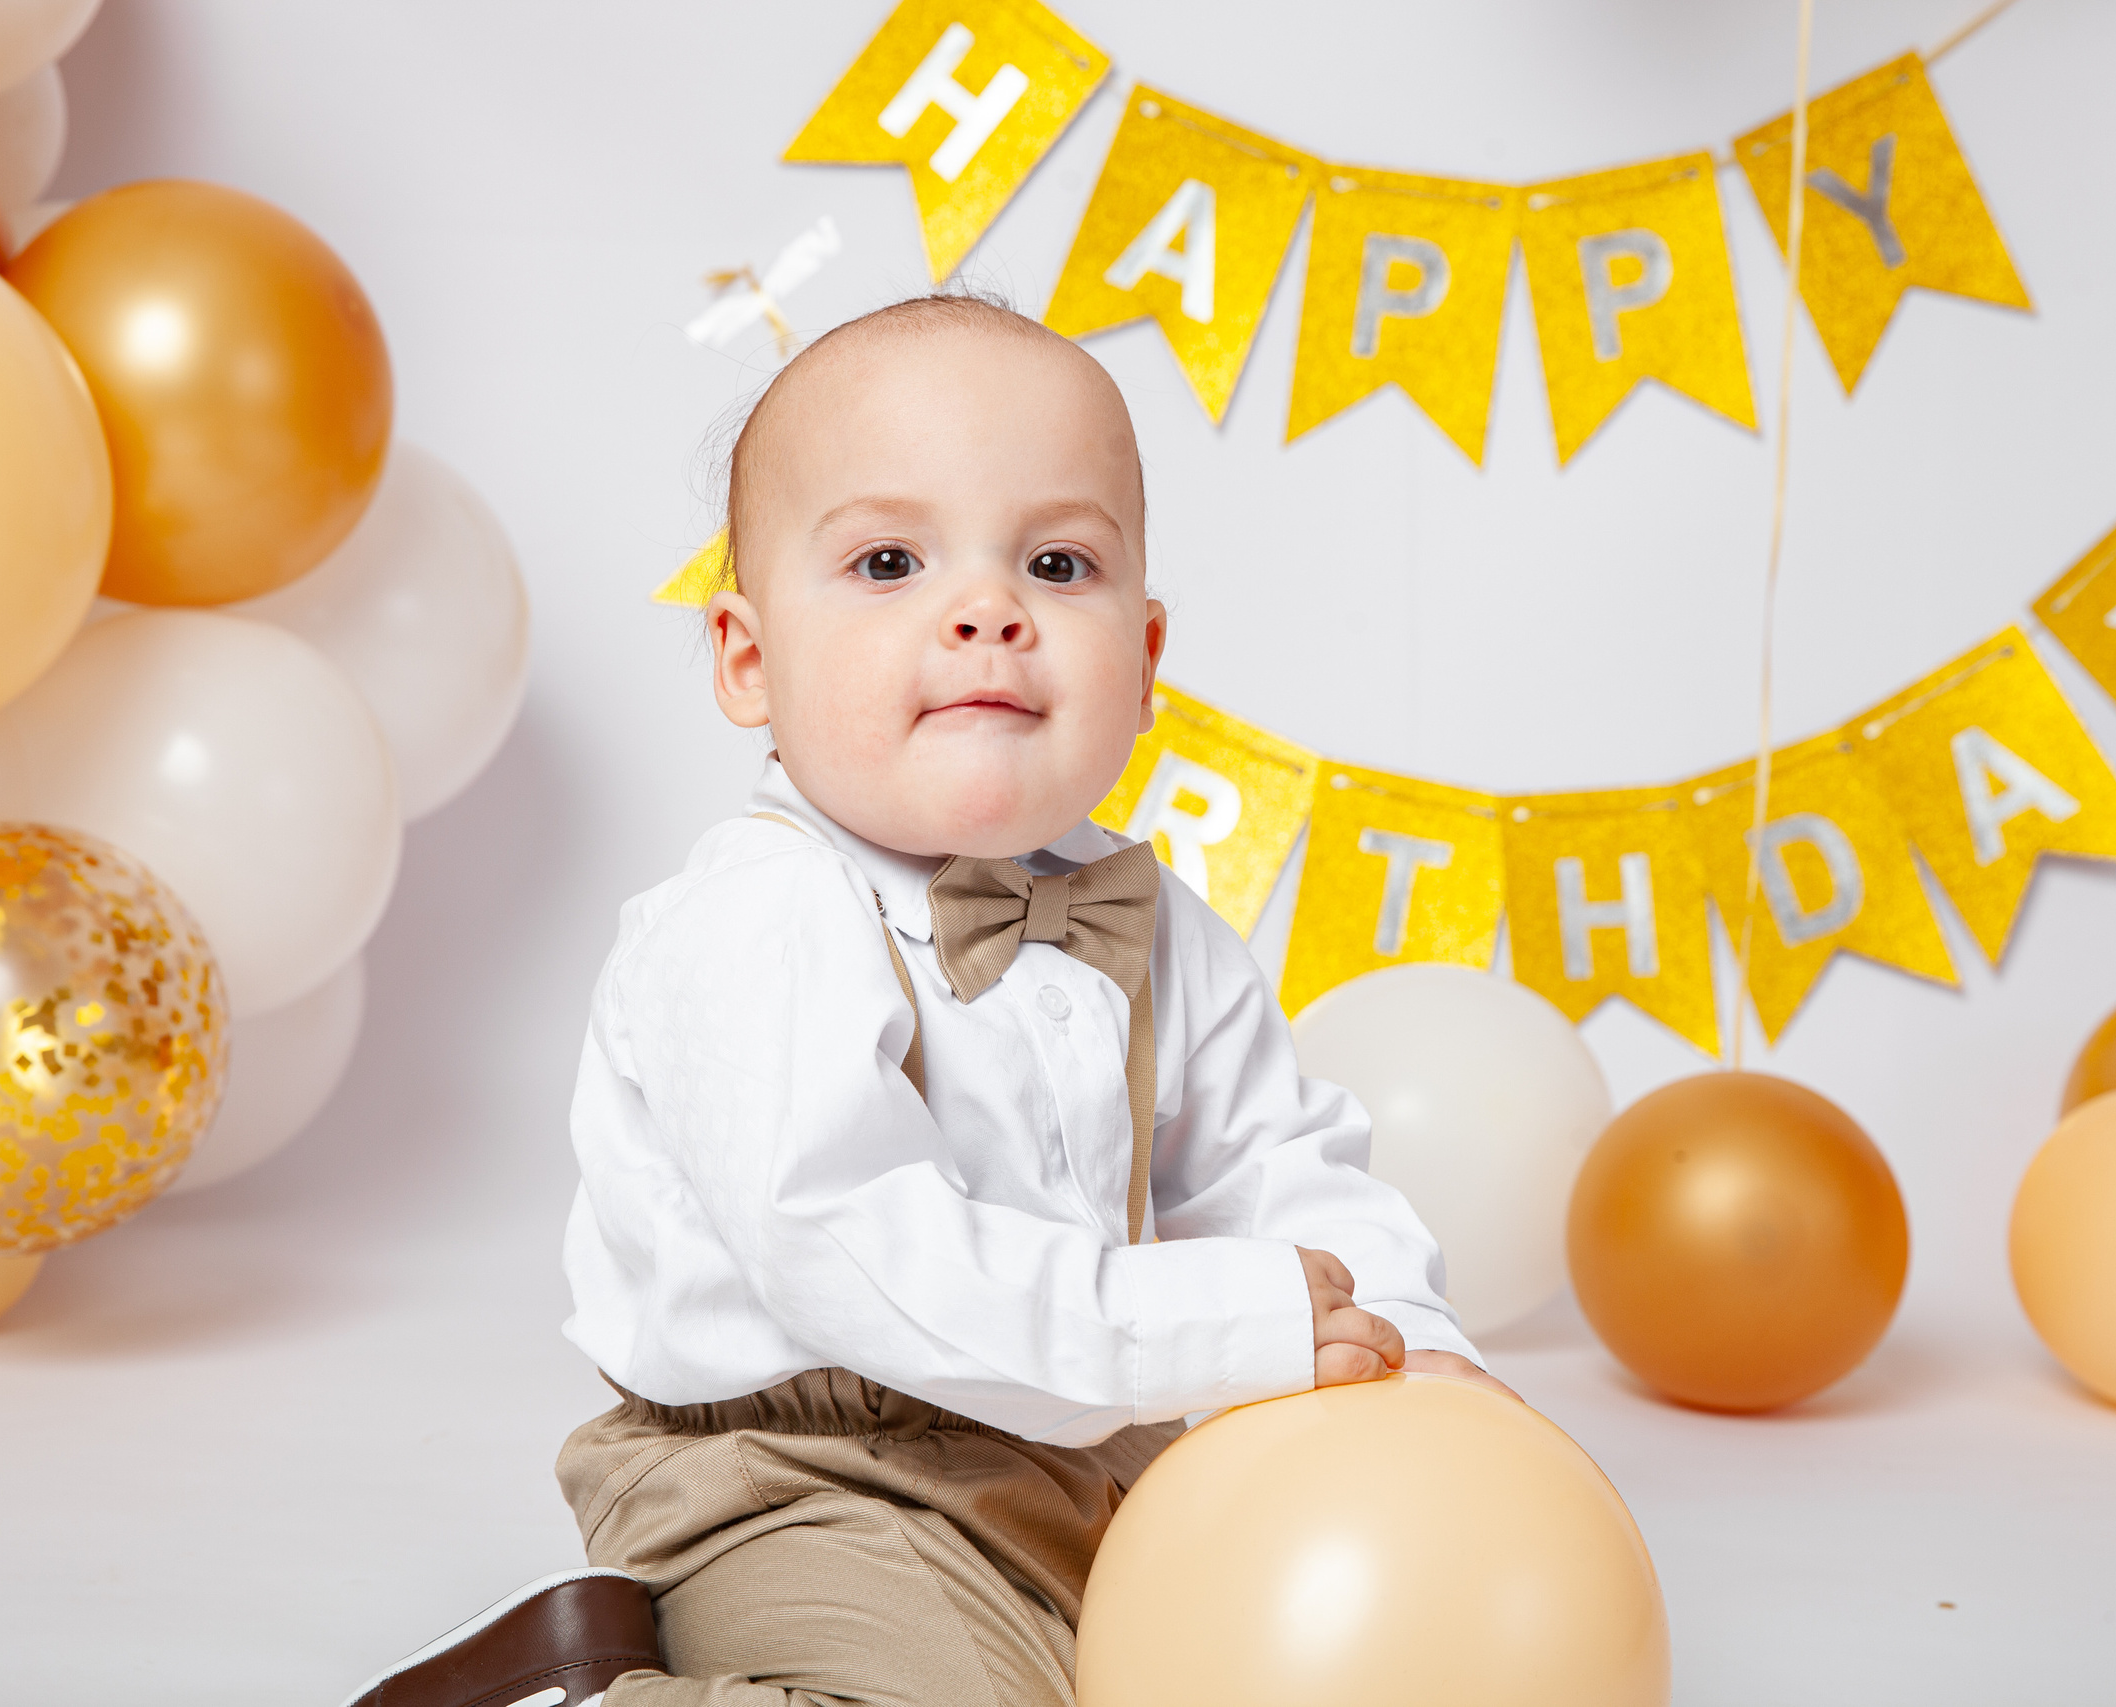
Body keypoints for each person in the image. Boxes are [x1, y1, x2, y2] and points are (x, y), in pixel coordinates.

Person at [344, 293, 1513, 1707]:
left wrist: (1411, 1359)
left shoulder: (1158, 926)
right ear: (748, 659)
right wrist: (1211, 1329)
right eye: (890, 560)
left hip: (1087, 1449)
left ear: (1143, 666)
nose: (987, 610)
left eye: (1058, 562)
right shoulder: (758, 920)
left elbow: (1283, 1170)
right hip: (811, 1472)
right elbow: (857, 1252)